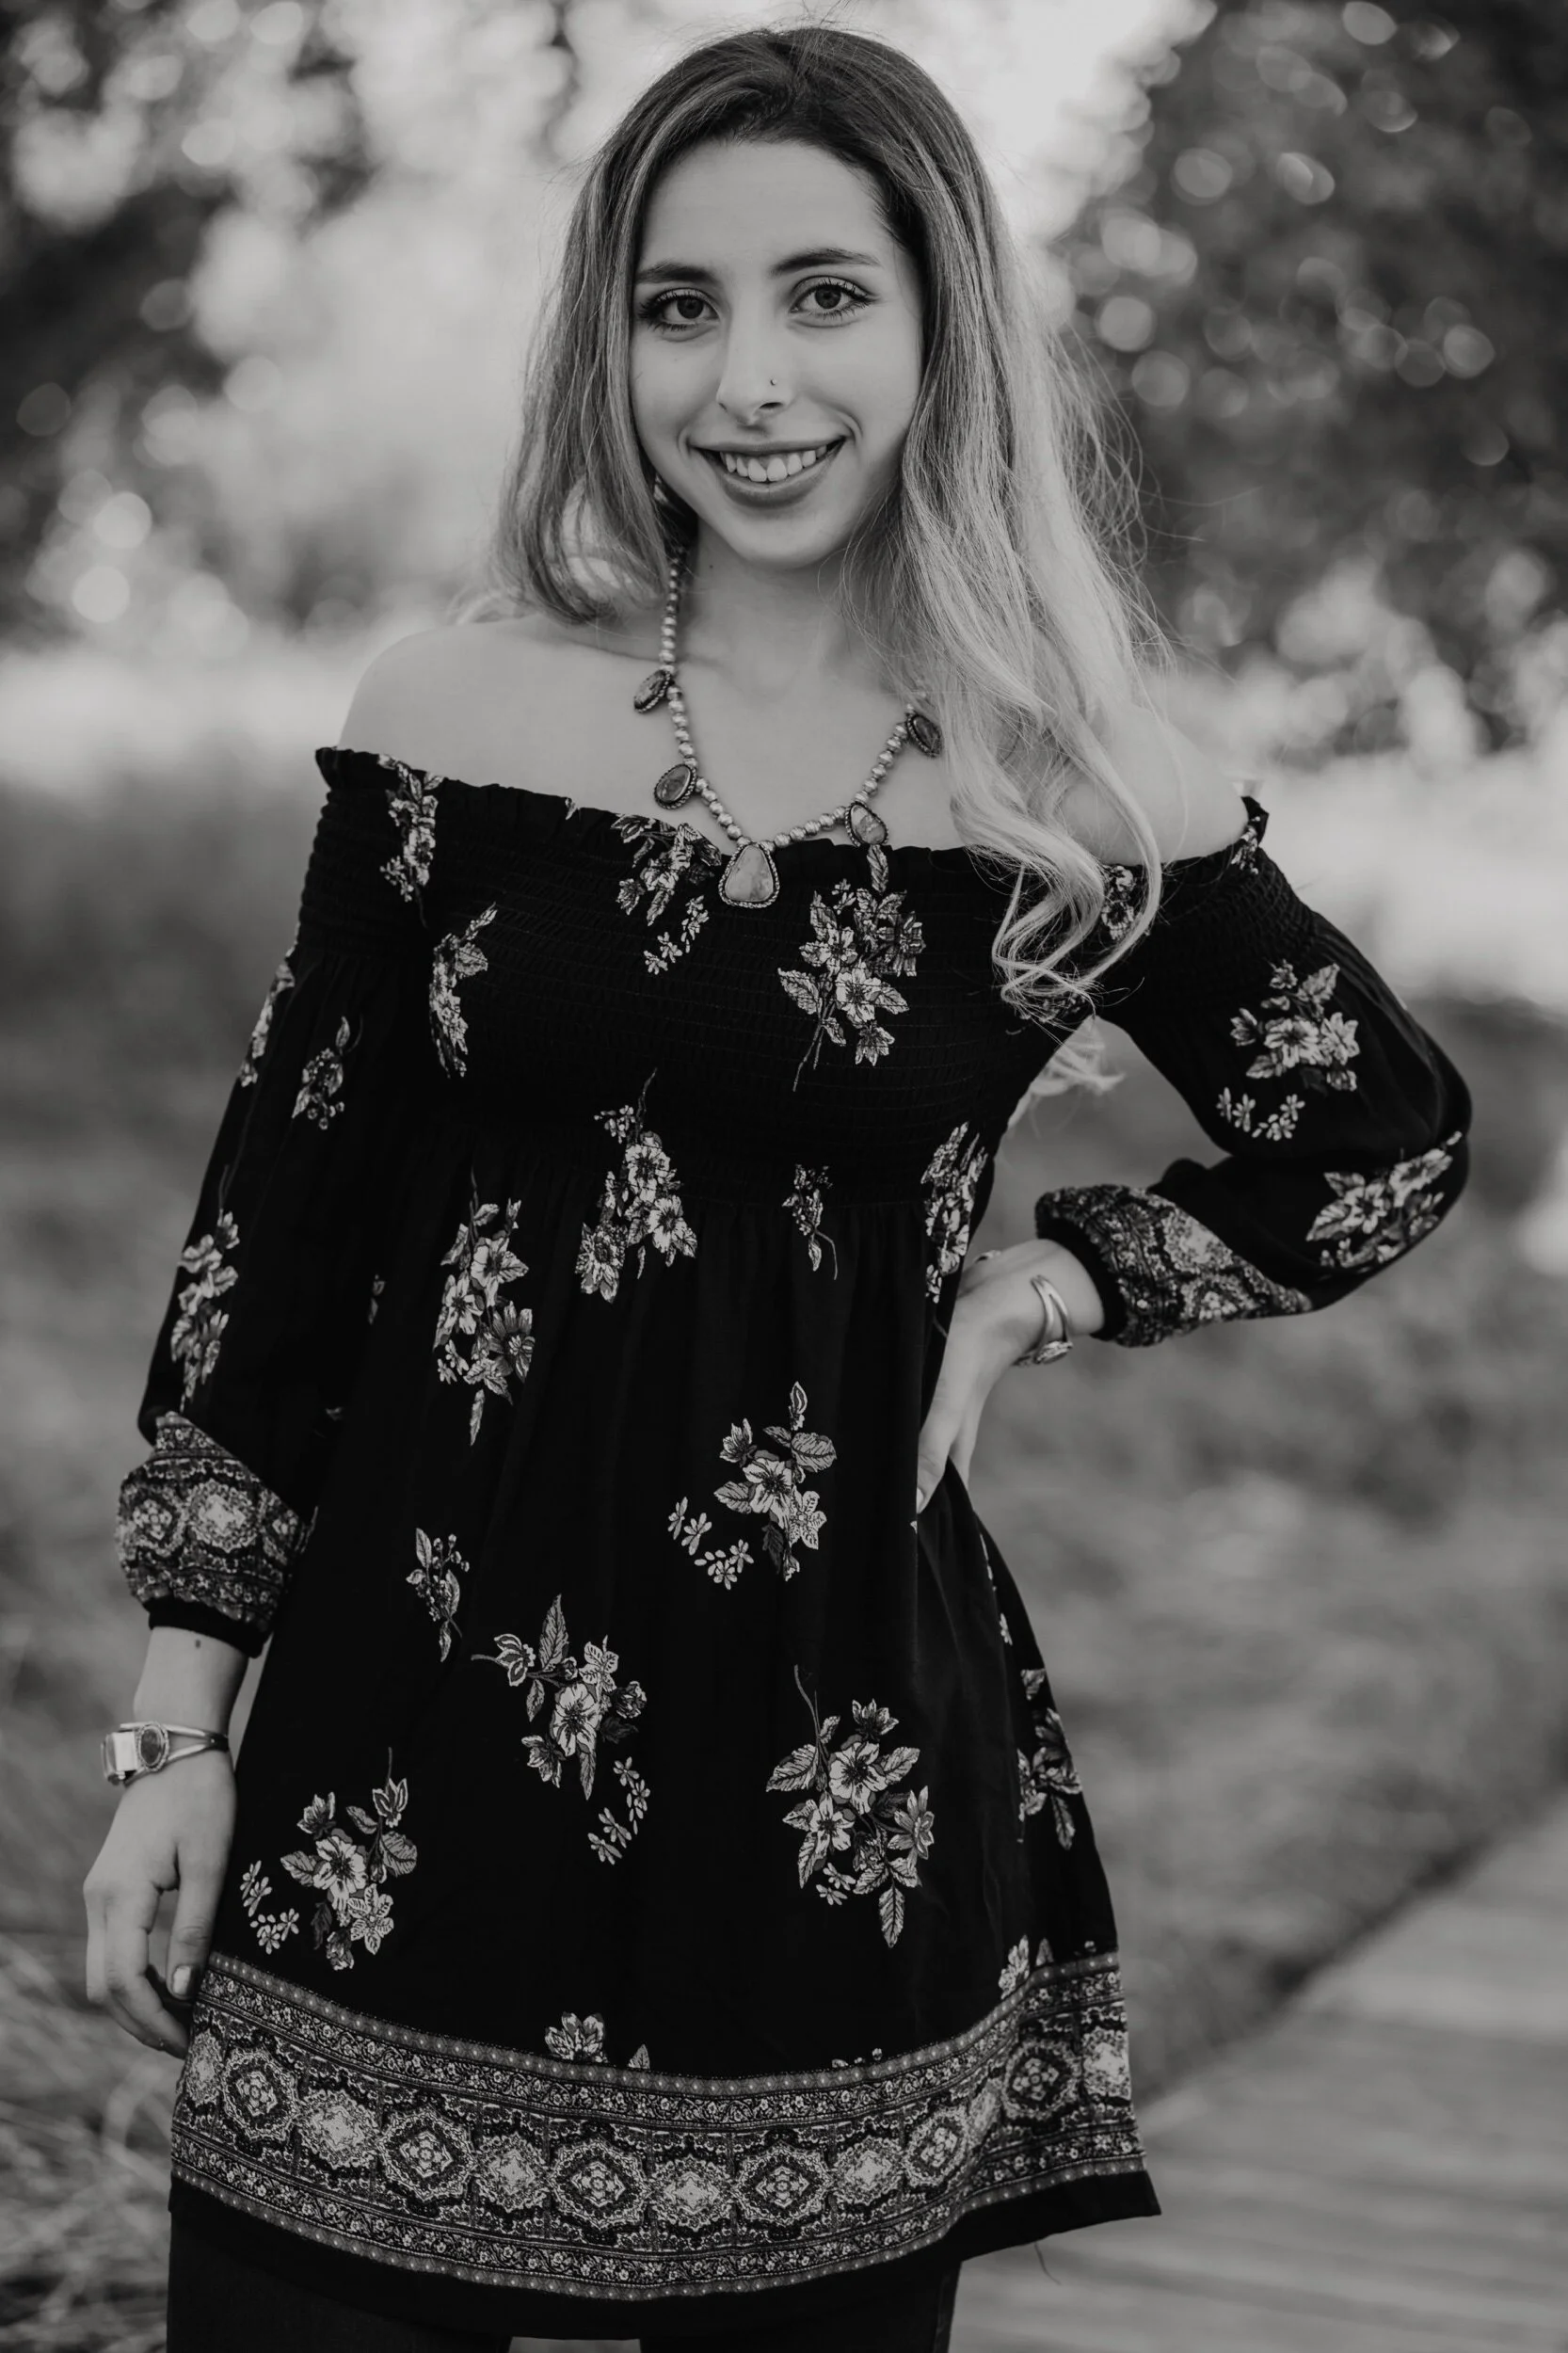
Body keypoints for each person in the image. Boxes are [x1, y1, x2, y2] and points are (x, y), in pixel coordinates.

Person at [82, 24, 1471, 2352]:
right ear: (604, 343)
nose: (746, 379)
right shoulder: (452, 711)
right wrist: (170, 1733)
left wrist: (1052, 1283)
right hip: (385, 1758)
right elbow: (277, 1237)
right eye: (674, 303)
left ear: (942, 324)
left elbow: (1380, 1139)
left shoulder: (1069, 785)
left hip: (823, 1787)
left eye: (823, 295)